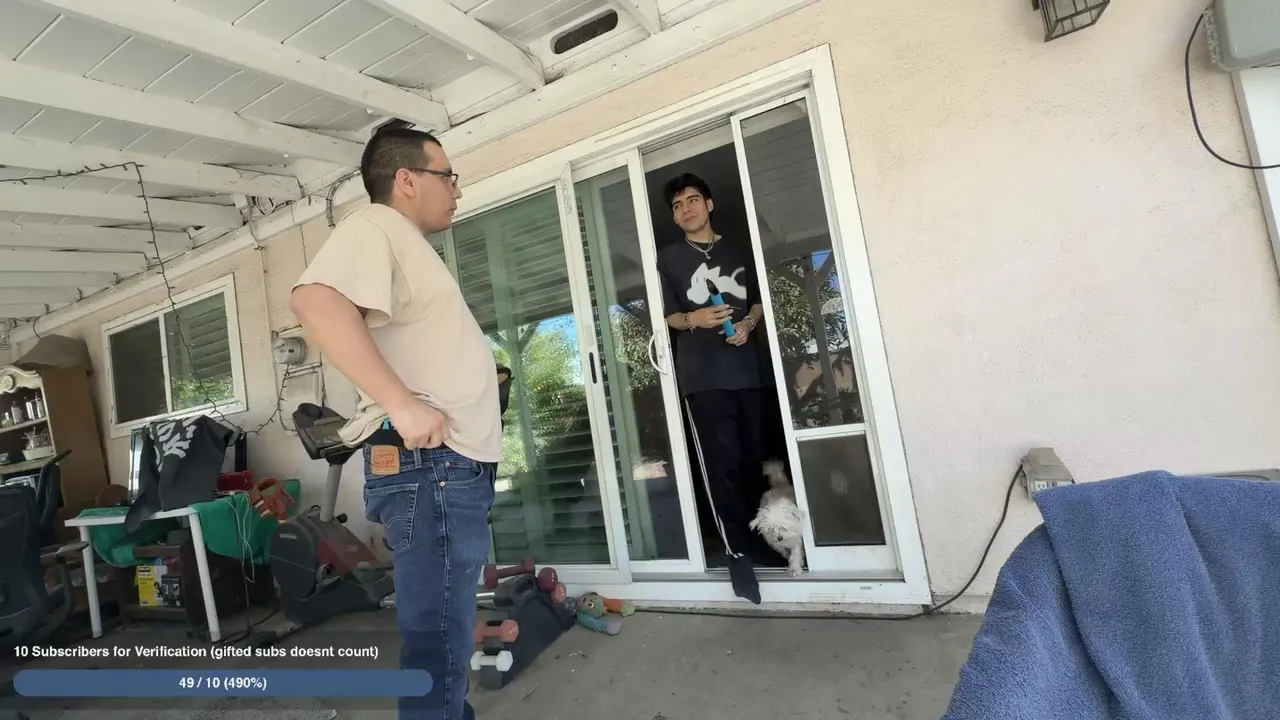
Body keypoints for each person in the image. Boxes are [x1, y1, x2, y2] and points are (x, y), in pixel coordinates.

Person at [290, 127, 501, 720]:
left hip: (445, 466)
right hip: (433, 467)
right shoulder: (375, 225)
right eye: (448, 175)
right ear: (407, 179)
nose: (457, 189)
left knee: (445, 632)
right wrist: (402, 404)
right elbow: (314, 302)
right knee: (438, 637)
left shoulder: (404, 244)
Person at [656, 173, 766, 604]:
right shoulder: (668, 258)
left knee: (755, 457)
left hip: (748, 370)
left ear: (709, 203)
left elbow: (757, 299)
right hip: (702, 378)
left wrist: (748, 324)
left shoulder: (739, 247)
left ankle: (761, 538)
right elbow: (669, 316)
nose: (685, 209)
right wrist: (694, 320)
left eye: (692, 200)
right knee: (721, 466)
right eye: (677, 205)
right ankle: (737, 552)